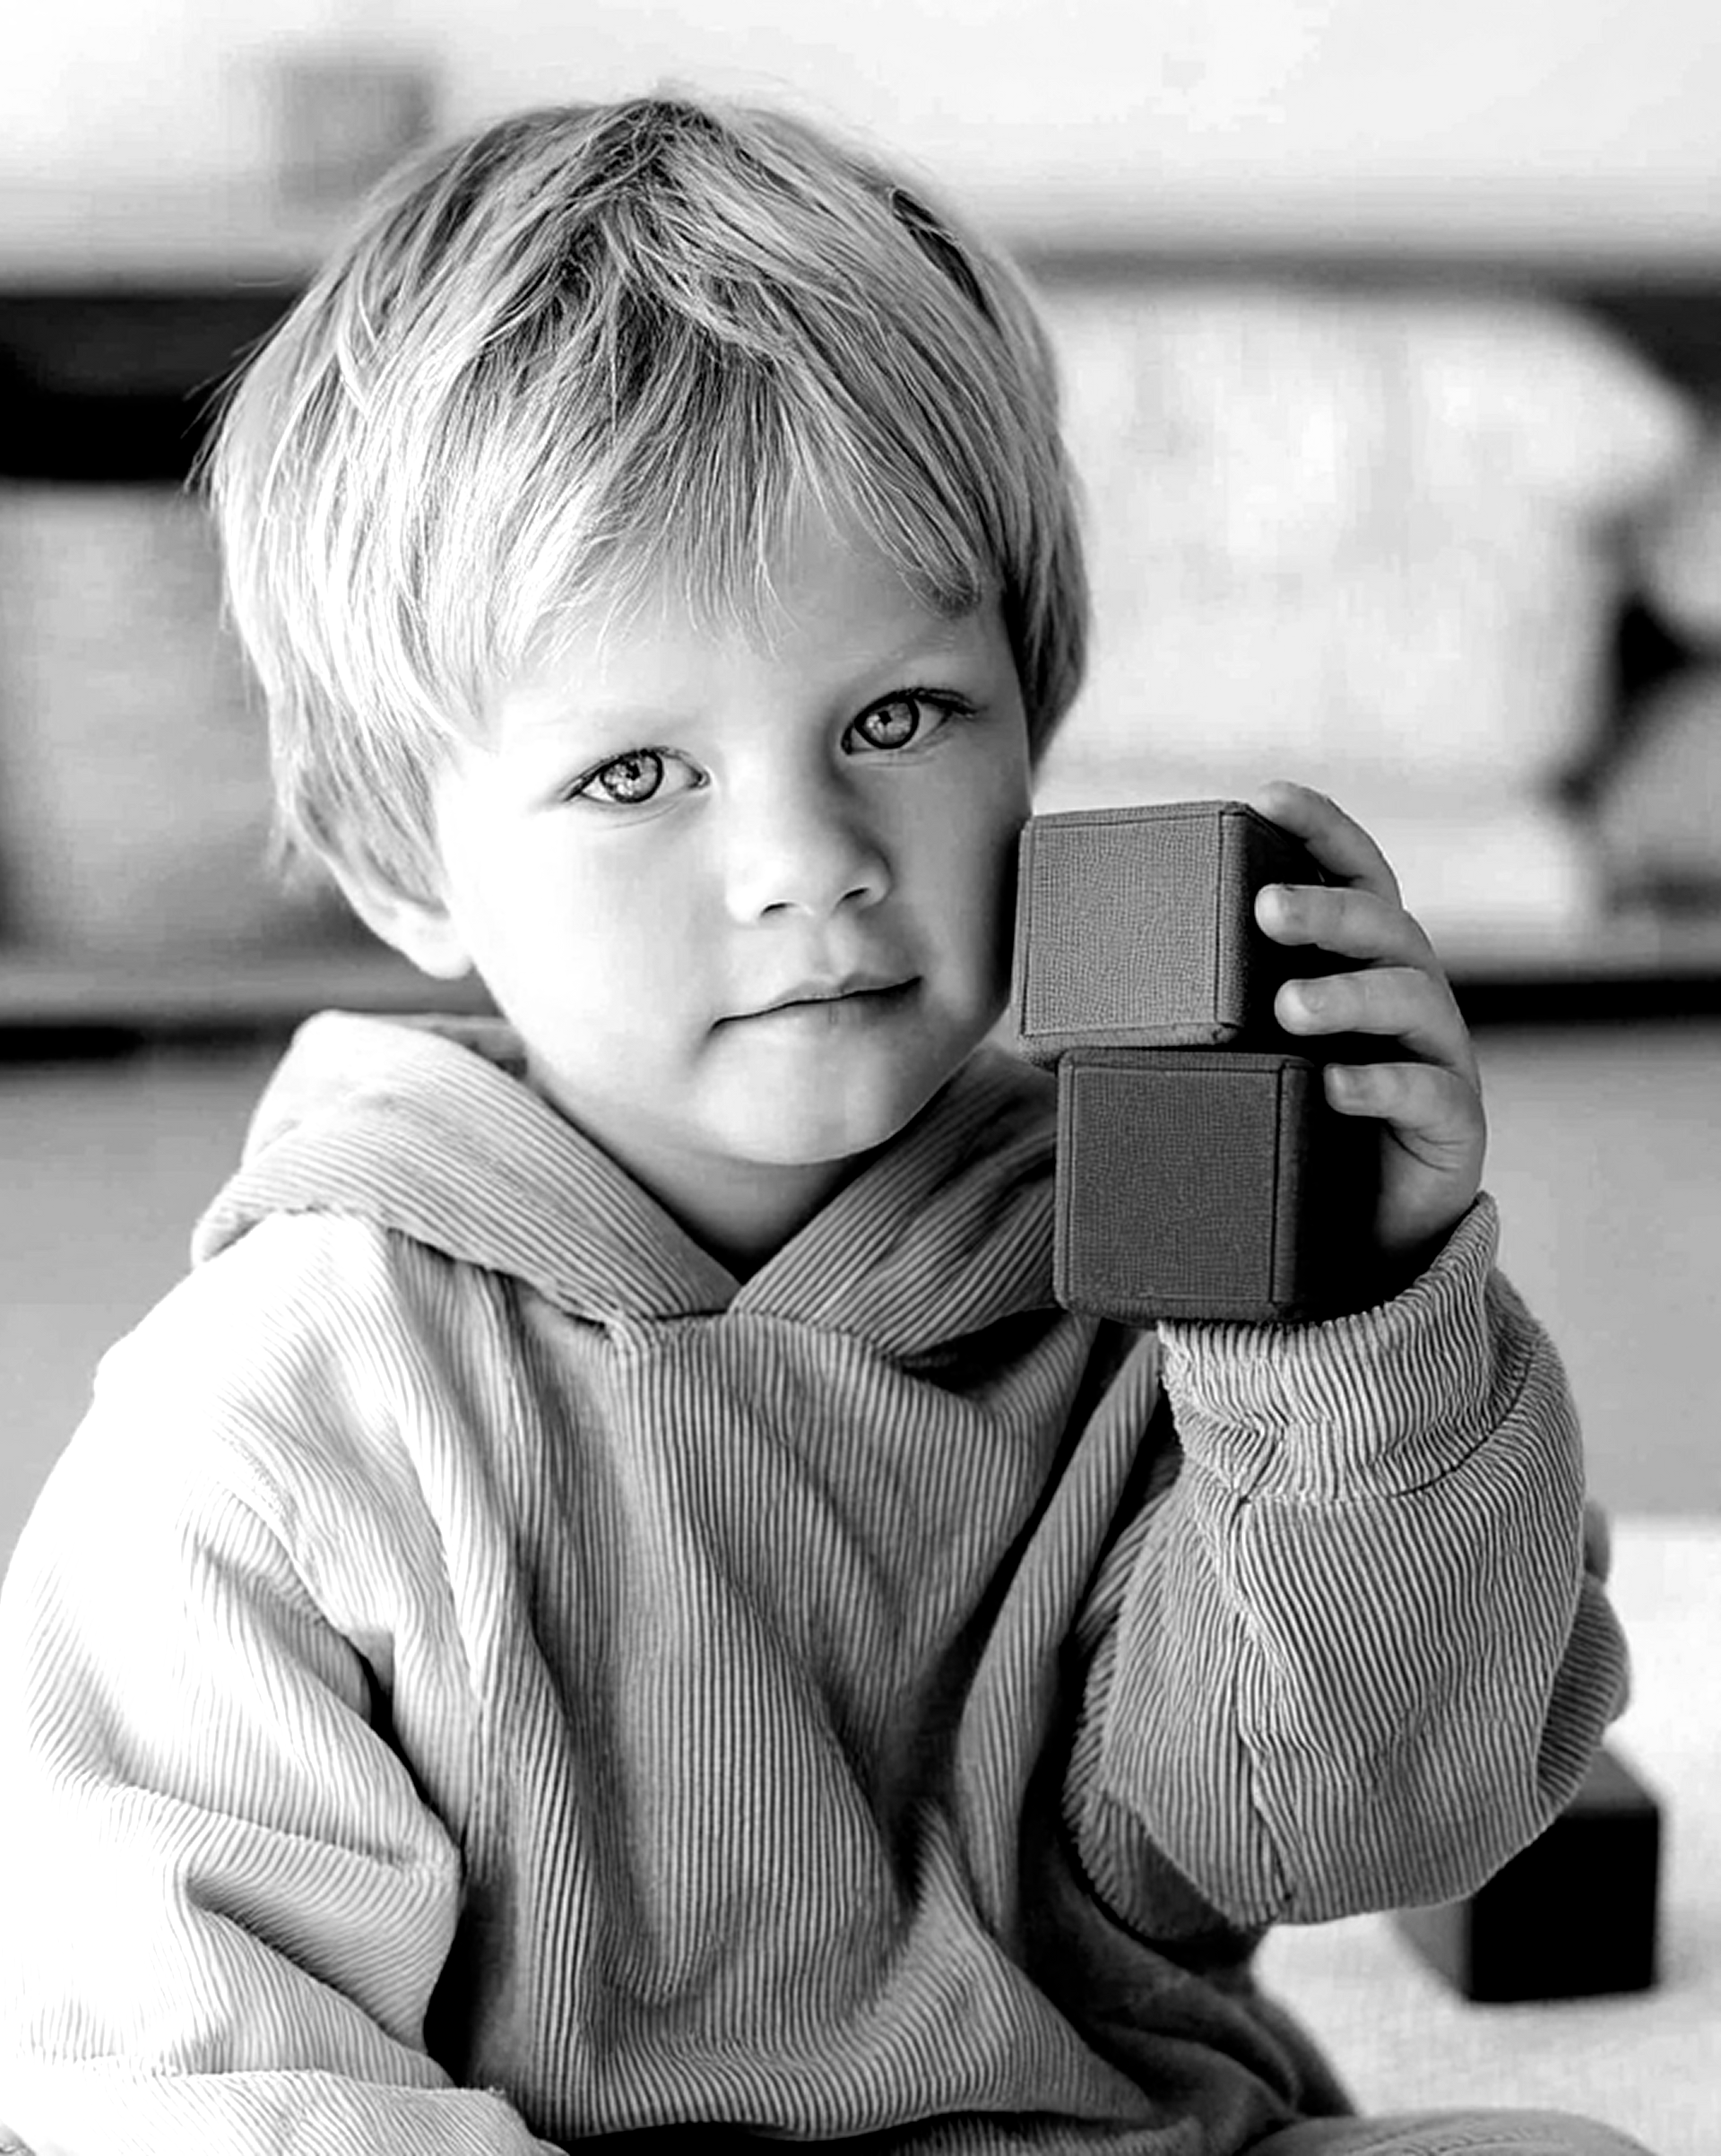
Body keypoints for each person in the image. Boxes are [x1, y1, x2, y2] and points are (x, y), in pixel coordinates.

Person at [0, 94, 1650, 2156]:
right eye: (632, 775)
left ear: (1033, 719)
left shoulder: (1149, 1265)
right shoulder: (278, 1408)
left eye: (894, 719)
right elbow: (205, 2075)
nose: (806, 859)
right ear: (399, 858)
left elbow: (1346, 1821)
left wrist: (1352, 1324)